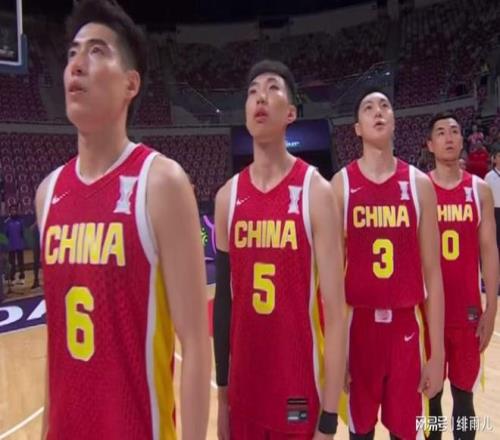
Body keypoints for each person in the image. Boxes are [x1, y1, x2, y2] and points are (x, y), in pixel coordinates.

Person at [35, 1, 210, 438]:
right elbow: (56, 345)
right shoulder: (48, 193)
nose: (77, 64)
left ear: (131, 83)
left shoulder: (162, 183)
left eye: (96, 51)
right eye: (73, 52)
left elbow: (195, 343)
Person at [213, 59, 347, 439]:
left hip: (297, 389)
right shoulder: (227, 197)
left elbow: (336, 313)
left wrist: (329, 418)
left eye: (272, 88)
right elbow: (223, 305)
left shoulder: (316, 192)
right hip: (243, 393)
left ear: (290, 113)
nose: (261, 97)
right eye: (253, 92)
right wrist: (222, 399)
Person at [331, 88, 445, 440]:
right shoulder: (340, 186)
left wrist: (437, 352)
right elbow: (330, 283)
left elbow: (433, 274)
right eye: (368, 108)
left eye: (384, 106)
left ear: (394, 121)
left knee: (406, 433)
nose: (378, 111)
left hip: (406, 329)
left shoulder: (419, 185)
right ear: (357, 128)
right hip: (359, 328)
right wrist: (336, 352)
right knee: (360, 432)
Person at [426, 112, 498, 439]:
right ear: (430, 144)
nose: (449, 137)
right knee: (431, 399)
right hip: (428, 312)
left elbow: (489, 252)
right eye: (441, 132)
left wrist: (491, 308)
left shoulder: (479, 190)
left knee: (464, 398)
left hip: (467, 311)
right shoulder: (420, 189)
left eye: (455, 131)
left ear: (462, 140)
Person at [4, 204, 25, 285]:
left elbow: (22, 233)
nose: (13, 211)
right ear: (10, 212)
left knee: (21, 262)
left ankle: (22, 278)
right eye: (12, 210)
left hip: (19, 245)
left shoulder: (20, 221)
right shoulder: (7, 222)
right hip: (11, 246)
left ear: (16, 211)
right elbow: (6, 234)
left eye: (15, 210)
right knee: (12, 263)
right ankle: (12, 278)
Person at [484, 149, 500, 252]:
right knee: (496, 238)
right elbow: (485, 196)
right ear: (494, 159)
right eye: (499, 156)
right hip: (494, 210)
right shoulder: (489, 176)